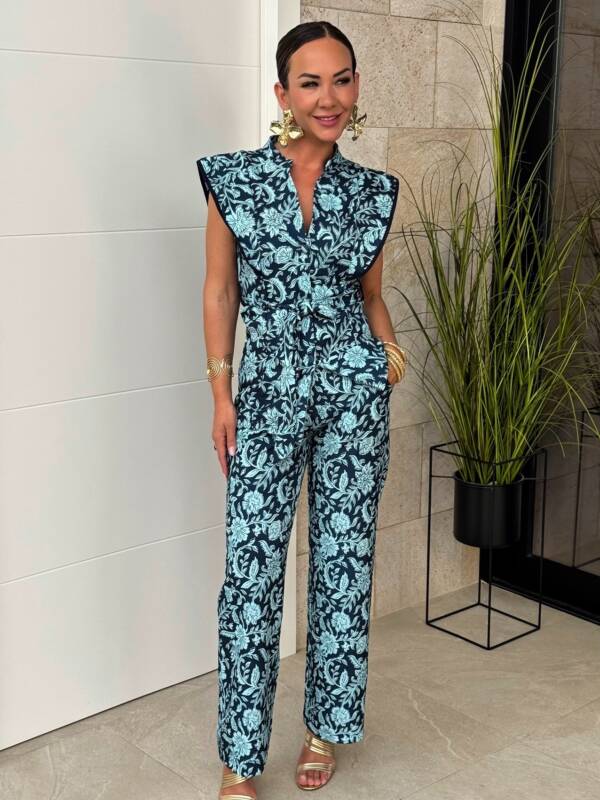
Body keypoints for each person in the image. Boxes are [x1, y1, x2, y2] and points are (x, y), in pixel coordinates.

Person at [197, 19, 406, 800]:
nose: (329, 97)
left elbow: (372, 296)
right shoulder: (235, 180)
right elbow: (220, 291)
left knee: (343, 565)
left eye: (341, 79)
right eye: (311, 82)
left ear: (356, 87)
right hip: (265, 395)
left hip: (355, 398)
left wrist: (387, 359)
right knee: (251, 574)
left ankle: (324, 728)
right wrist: (222, 393)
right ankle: (240, 756)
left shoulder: (373, 192)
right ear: (282, 92)